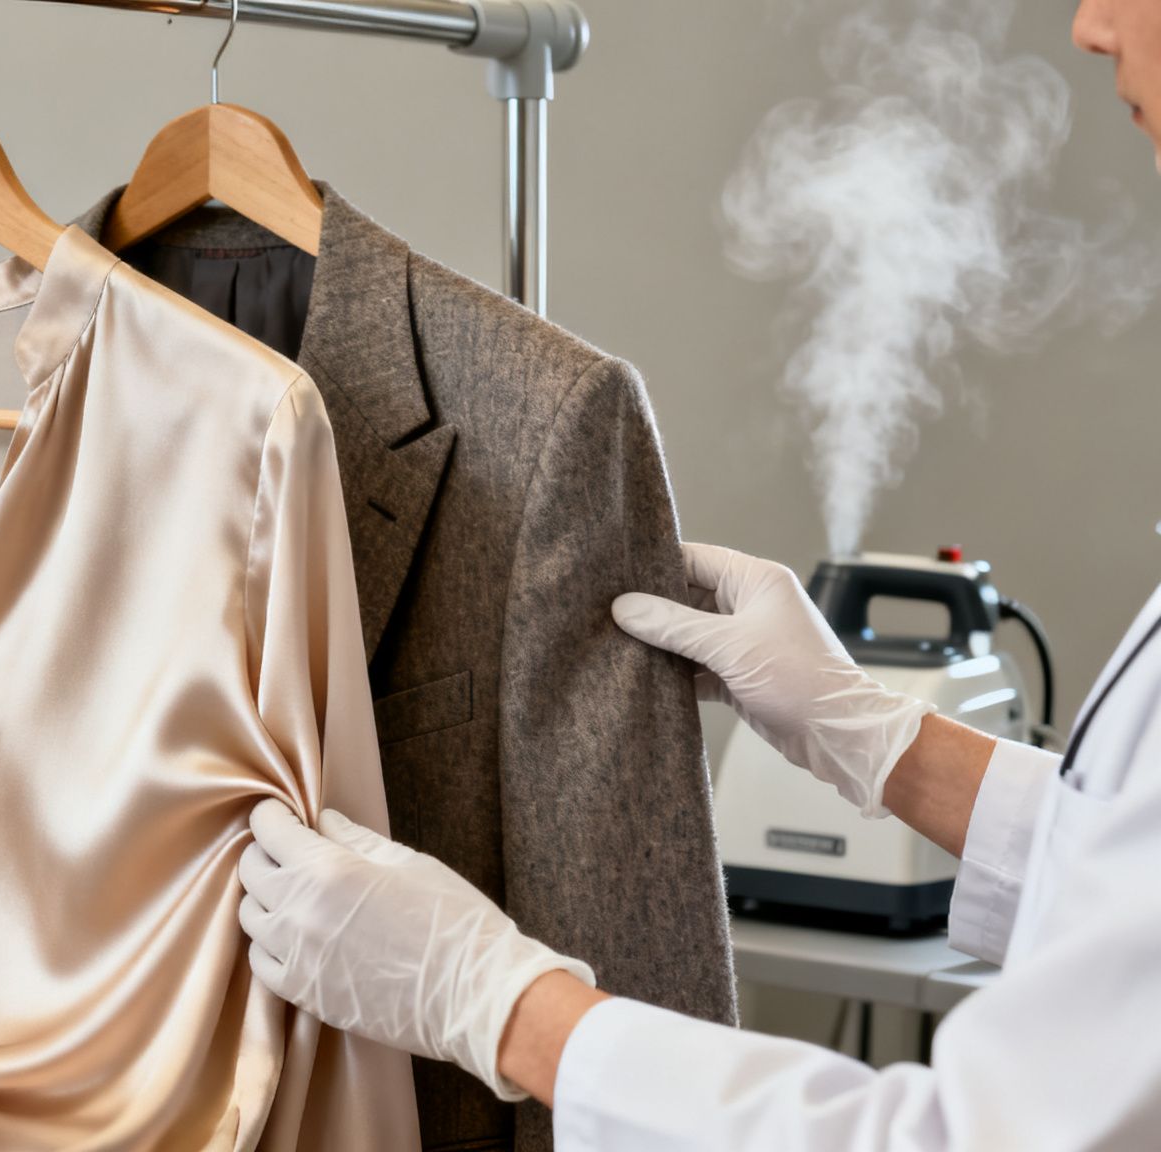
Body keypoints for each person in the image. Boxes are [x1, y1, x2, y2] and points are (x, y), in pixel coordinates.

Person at [234, 4, 1161, 1148]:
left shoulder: (545, 415)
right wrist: (874, 738)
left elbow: (974, 1135)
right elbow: (1136, 898)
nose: (1088, 23)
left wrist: (499, 1004)